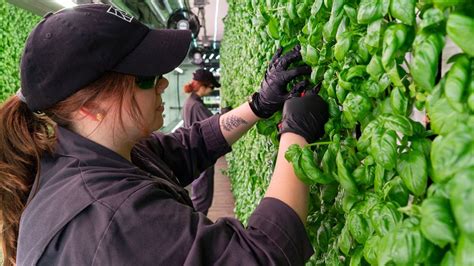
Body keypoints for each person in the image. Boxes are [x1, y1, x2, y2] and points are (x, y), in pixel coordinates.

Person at [0, 4, 329, 266]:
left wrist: (258, 104)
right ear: (91, 106)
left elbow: (188, 147)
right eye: (145, 78)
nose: (162, 83)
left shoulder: (96, 152)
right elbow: (259, 257)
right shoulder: (110, 218)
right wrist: (295, 137)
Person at [182, 68, 221, 215]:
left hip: (194, 154)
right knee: (202, 196)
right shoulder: (196, 105)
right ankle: (197, 227)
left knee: (199, 193)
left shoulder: (190, 102)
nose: (211, 90)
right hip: (200, 154)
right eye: (211, 87)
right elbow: (213, 126)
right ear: (203, 86)